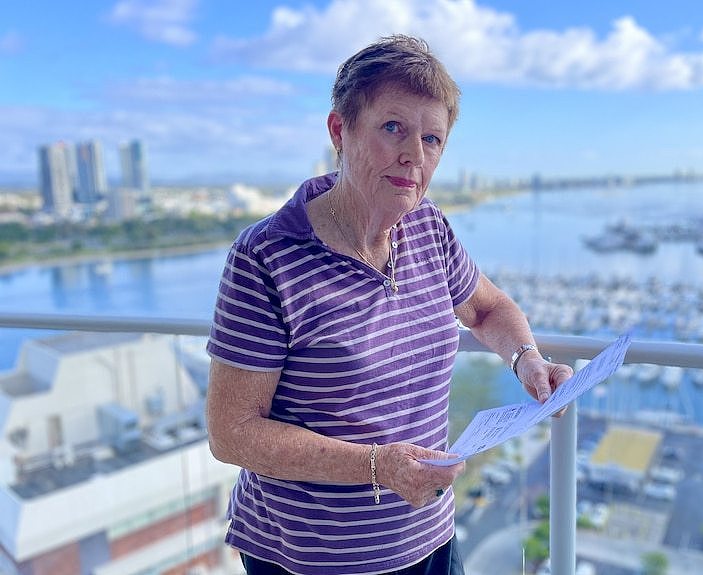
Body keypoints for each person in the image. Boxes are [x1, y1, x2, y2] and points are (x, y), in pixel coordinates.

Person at [205, 34, 574, 575]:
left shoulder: (426, 226)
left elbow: (488, 309)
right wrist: (378, 466)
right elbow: (231, 431)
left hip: (429, 537)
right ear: (340, 130)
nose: (414, 156)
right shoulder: (265, 258)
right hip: (311, 559)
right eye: (393, 128)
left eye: (432, 139)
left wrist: (527, 360)